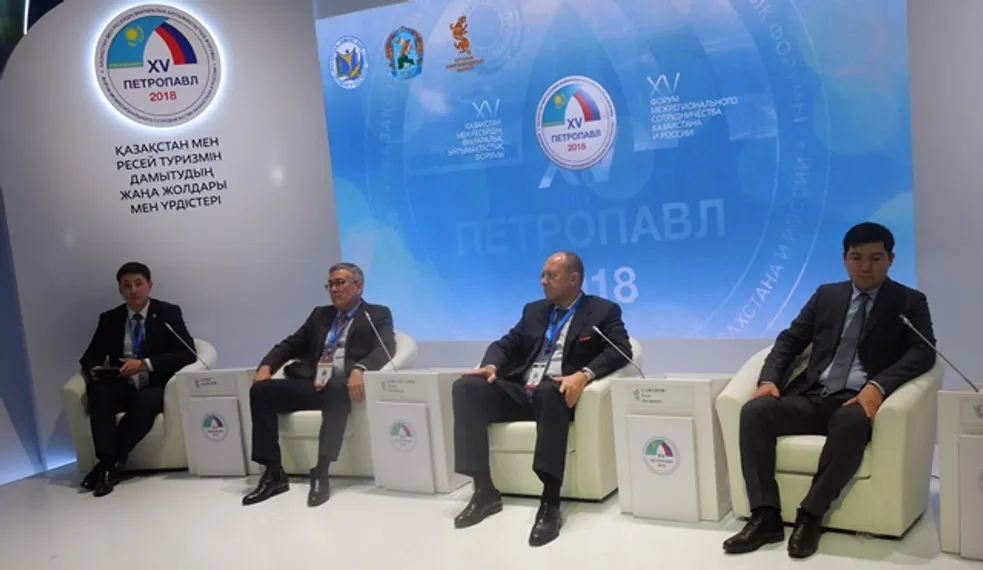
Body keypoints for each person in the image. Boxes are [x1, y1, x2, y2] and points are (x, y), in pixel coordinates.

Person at [723, 222, 936, 559]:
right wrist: (768, 381)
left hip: (856, 400)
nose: (865, 267)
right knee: (755, 412)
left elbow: (924, 352)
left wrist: (878, 386)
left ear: (891, 259)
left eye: (876, 258)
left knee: (851, 422)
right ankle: (765, 516)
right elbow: (790, 340)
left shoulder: (909, 301)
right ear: (844, 259)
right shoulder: (827, 295)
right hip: (812, 396)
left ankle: (811, 515)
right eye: (857, 257)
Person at [451, 251, 632, 546]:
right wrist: (491, 365)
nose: (543, 281)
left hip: (559, 394)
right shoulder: (534, 311)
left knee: (549, 389)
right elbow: (505, 344)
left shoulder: (602, 311)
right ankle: (484, 491)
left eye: (551, 276)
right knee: (466, 387)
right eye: (542, 275)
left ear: (574, 279)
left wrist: (583, 375)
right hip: (523, 391)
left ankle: (550, 502)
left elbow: (621, 349)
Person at [243, 262, 396, 507]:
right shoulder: (320, 315)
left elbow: (386, 347)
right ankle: (273, 473)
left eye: (340, 283)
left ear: (359, 286)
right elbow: (291, 344)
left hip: (343, 386)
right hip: (312, 383)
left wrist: (360, 368)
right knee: (261, 391)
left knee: (336, 387)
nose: (334, 289)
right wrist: (267, 365)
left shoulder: (375, 314)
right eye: (330, 284)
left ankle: (321, 471)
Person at [78, 262, 196, 497]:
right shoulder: (110, 318)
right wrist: (96, 370)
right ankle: (107, 462)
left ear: (149, 285)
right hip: (122, 384)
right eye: (127, 285)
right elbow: (90, 357)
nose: (134, 290)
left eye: (139, 284)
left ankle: (106, 466)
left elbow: (187, 353)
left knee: (146, 401)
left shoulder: (168, 313)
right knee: (100, 393)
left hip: (154, 383)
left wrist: (144, 364)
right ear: (120, 290)